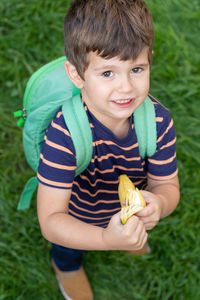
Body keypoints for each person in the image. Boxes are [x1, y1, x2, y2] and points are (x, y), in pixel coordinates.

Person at [37, 0, 180, 299]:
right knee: (68, 248)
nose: (126, 88)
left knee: (128, 232)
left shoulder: (157, 121)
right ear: (77, 75)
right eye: (107, 73)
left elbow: (166, 184)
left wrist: (159, 204)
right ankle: (67, 267)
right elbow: (51, 221)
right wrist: (105, 238)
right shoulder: (65, 135)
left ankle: (129, 236)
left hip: (125, 212)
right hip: (75, 217)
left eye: (136, 69)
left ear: (150, 60)